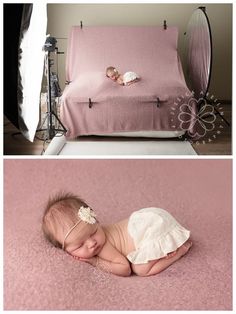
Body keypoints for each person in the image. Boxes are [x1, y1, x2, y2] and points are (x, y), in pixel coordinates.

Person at [42, 193, 192, 277]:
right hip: (151, 218)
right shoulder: (93, 240)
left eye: (94, 232)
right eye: (80, 245)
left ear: (95, 221)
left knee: (141, 269)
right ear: (64, 249)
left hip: (152, 227)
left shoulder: (103, 247)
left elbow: (124, 269)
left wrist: (95, 262)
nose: (91, 243)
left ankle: (179, 252)